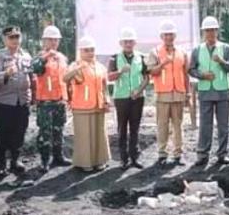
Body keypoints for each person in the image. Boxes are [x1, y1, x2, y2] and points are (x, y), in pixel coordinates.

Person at [189, 16, 229, 166]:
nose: (210, 33)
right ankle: (202, 154)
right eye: (207, 30)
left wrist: (221, 61)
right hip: (205, 92)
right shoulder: (197, 50)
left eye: (213, 30)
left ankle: (222, 154)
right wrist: (202, 75)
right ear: (203, 32)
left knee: (223, 125)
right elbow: (191, 69)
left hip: (222, 91)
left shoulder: (226, 48)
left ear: (217, 31)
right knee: (205, 125)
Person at [0, 26, 33, 176]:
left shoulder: (26, 55)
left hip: (22, 101)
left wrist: (32, 95)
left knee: (20, 131)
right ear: (4, 39)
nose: (15, 40)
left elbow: (31, 76)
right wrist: (6, 73)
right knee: (3, 133)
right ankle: (1, 164)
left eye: (17, 37)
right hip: (4, 102)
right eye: (11, 37)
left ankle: (15, 160)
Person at [146, 19, 190, 166]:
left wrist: (187, 93)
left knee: (178, 125)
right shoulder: (155, 52)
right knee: (162, 125)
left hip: (178, 93)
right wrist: (163, 64)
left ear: (175, 36)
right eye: (166, 35)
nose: (168, 37)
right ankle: (162, 153)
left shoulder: (182, 53)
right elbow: (151, 71)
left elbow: (185, 74)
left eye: (171, 34)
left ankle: (178, 154)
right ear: (161, 36)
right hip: (163, 94)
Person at [64, 36, 111, 172]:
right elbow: (65, 78)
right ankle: (85, 163)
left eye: (92, 50)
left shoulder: (100, 67)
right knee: (84, 135)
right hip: (81, 106)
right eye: (86, 50)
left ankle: (99, 161)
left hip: (98, 105)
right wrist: (78, 69)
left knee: (99, 134)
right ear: (81, 51)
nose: (90, 53)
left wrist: (107, 101)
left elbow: (104, 86)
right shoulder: (75, 65)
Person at [108, 27, 149, 170]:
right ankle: (123, 159)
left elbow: (146, 78)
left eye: (130, 41)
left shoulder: (141, 57)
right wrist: (120, 71)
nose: (128, 44)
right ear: (121, 43)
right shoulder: (114, 57)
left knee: (135, 128)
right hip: (121, 97)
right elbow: (109, 77)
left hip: (137, 98)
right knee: (122, 128)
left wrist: (138, 91)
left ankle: (134, 157)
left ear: (135, 43)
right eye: (125, 41)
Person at [32, 25, 72, 173]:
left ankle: (58, 156)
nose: (54, 42)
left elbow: (66, 78)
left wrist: (68, 97)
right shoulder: (39, 57)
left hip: (60, 100)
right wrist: (46, 56)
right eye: (51, 40)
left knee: (59, 130)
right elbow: (34, 69)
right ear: (44, 41)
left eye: (56, 40)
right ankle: (44, 160)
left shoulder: (62, 58)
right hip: (45, 102)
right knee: (45, 132)